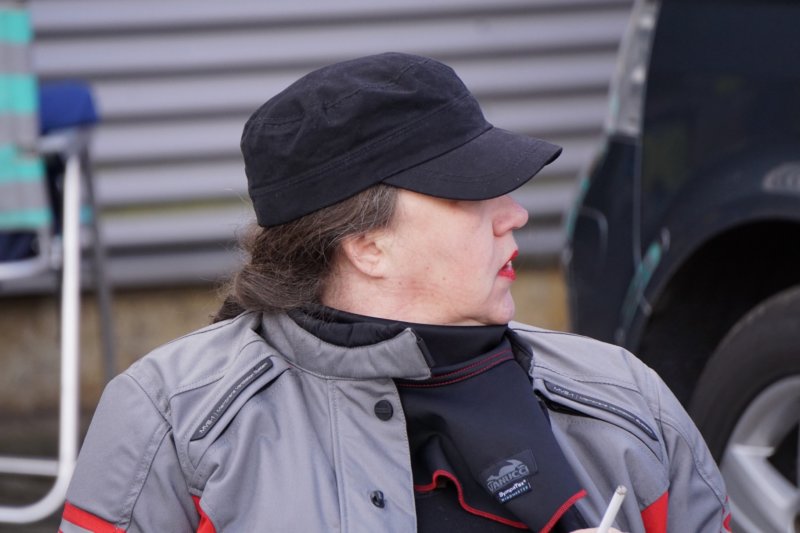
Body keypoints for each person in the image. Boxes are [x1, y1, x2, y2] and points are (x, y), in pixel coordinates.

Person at [60, 52, 730, 533]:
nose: (515, 213)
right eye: (471, 189)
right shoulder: (171, 421)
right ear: (366, 244)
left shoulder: (624, 399)